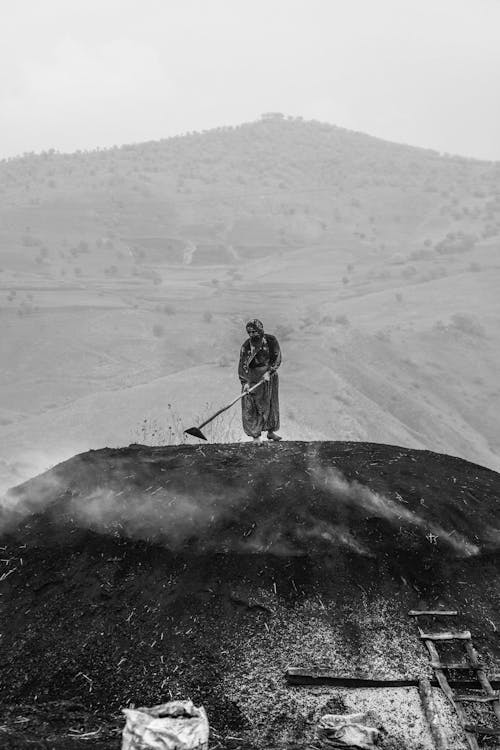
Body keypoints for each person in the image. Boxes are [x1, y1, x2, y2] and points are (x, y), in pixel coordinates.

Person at [238, 319, 282, 444]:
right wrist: (245, 383)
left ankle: (270, 432)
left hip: (269, 377)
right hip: (252, 378)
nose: (252, 335)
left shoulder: (271, 341)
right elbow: (242, 366)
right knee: (251, 406)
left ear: (260, 330)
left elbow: (277, 358)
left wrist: (269, 372)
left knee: (270, 404)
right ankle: (256, 437)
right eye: (249, 332)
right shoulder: (246, 346)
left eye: (254, 331)